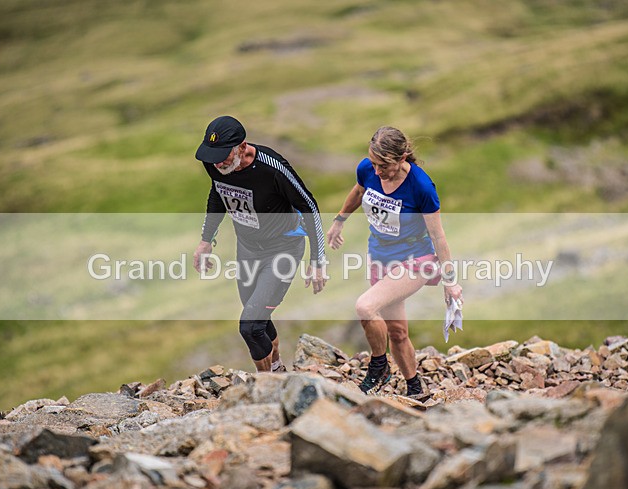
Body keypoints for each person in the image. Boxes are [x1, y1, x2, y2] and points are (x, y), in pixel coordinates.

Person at [326, 126, 462, 397]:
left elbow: (438, 236)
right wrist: (340, 219)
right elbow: (358, 191)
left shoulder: (421, 187)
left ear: (402, 158)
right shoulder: (368, 169)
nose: (377, 171)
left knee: (365, 307)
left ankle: (379, 366)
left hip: (416, 259)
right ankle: (415, 388)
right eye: (374, 164)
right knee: (397, 332)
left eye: (383, 166)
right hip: (380, 257)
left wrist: (451, 282)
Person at [193, 116, 326, 373]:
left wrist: (318, 260)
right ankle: (277, 371)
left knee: (250, 326)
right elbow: (217, 194)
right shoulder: (215, 165)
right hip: (247, 249)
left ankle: (266, 386)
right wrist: (205, 240)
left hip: (283, 250)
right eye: (212, 156)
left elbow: (309, 207)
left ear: (242, 147)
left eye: (223, 155)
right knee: (259, 321)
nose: (217, 162)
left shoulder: (272, 168)